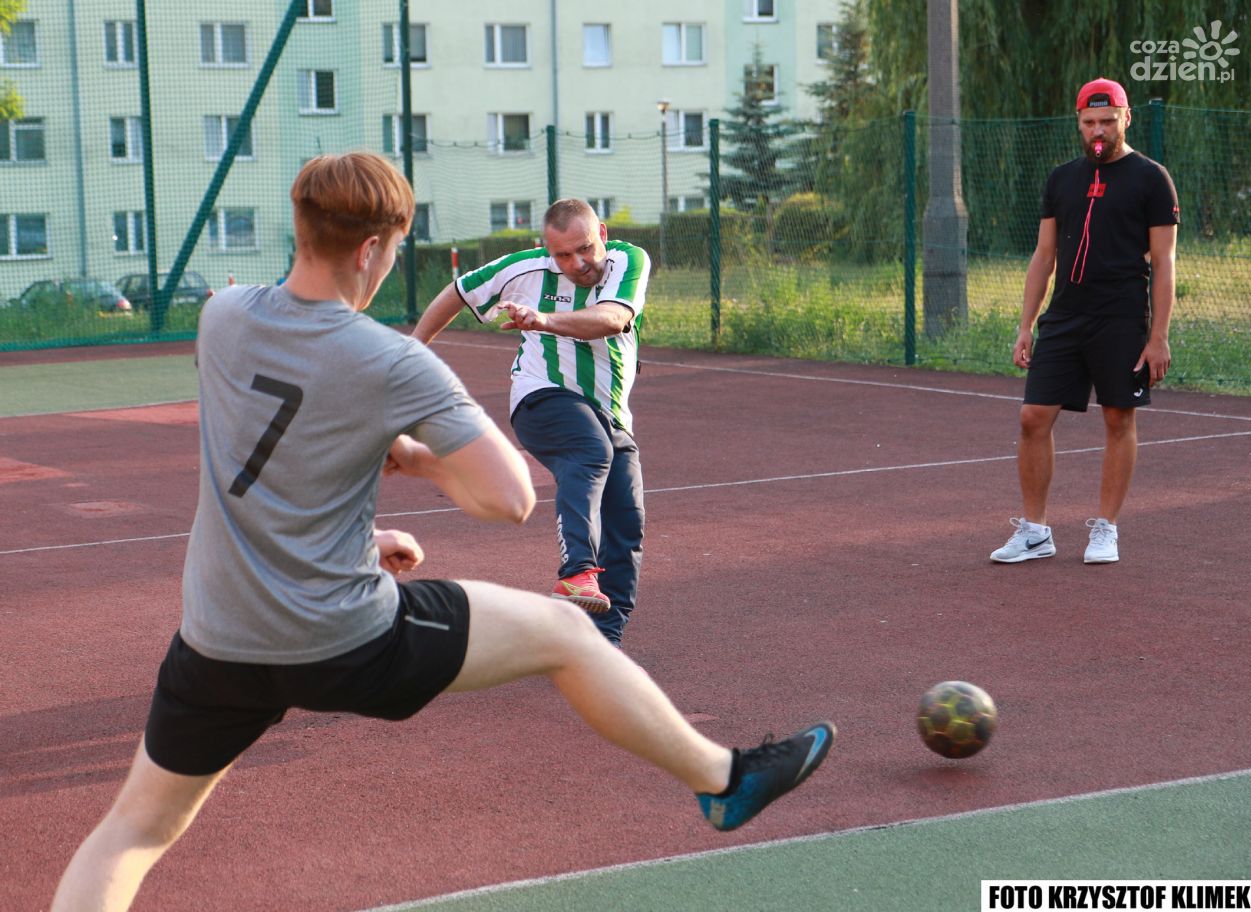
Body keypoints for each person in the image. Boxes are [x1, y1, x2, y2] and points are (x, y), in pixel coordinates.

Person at [51, 153, 835, 912]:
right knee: (567, 633)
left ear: (301, 227)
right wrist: (423, 460)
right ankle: (724, 780)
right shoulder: (391, 361)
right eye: (394, 249)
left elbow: (266, 461)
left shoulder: (222, 318)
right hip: (341, 638)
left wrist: (359, 541)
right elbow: (509, 498)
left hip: (218, 640)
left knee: (131, 832)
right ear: (371, 249)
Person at [415, 199, 649, 647]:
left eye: (585, 248)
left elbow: (613, 318)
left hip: (612, 413)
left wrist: (543, 319)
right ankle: (577, 572)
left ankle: (602, 645)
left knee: (626, 526)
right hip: (542, 397)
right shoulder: (523, 268)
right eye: (563, 255)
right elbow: (459, 291)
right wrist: (414, 350)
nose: (577, 263)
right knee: (590, 449)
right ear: (547, 249)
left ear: (602, 234)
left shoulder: (628, 260)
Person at [990, 78, 1178, 566]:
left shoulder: (1151, 179)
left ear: (1126, 119)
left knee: (1118, 417)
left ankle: (1106, 529)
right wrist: (1026, 324)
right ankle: (1035, 532)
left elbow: (1164, 264)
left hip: (1121, 317)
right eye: (1090, 122)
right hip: (1065, 317)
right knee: (1033, 417)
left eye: (1107, 121)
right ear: (1078, 123)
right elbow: (1044, 255)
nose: (1099, 131)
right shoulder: (1061, 179)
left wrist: (1158, 337)